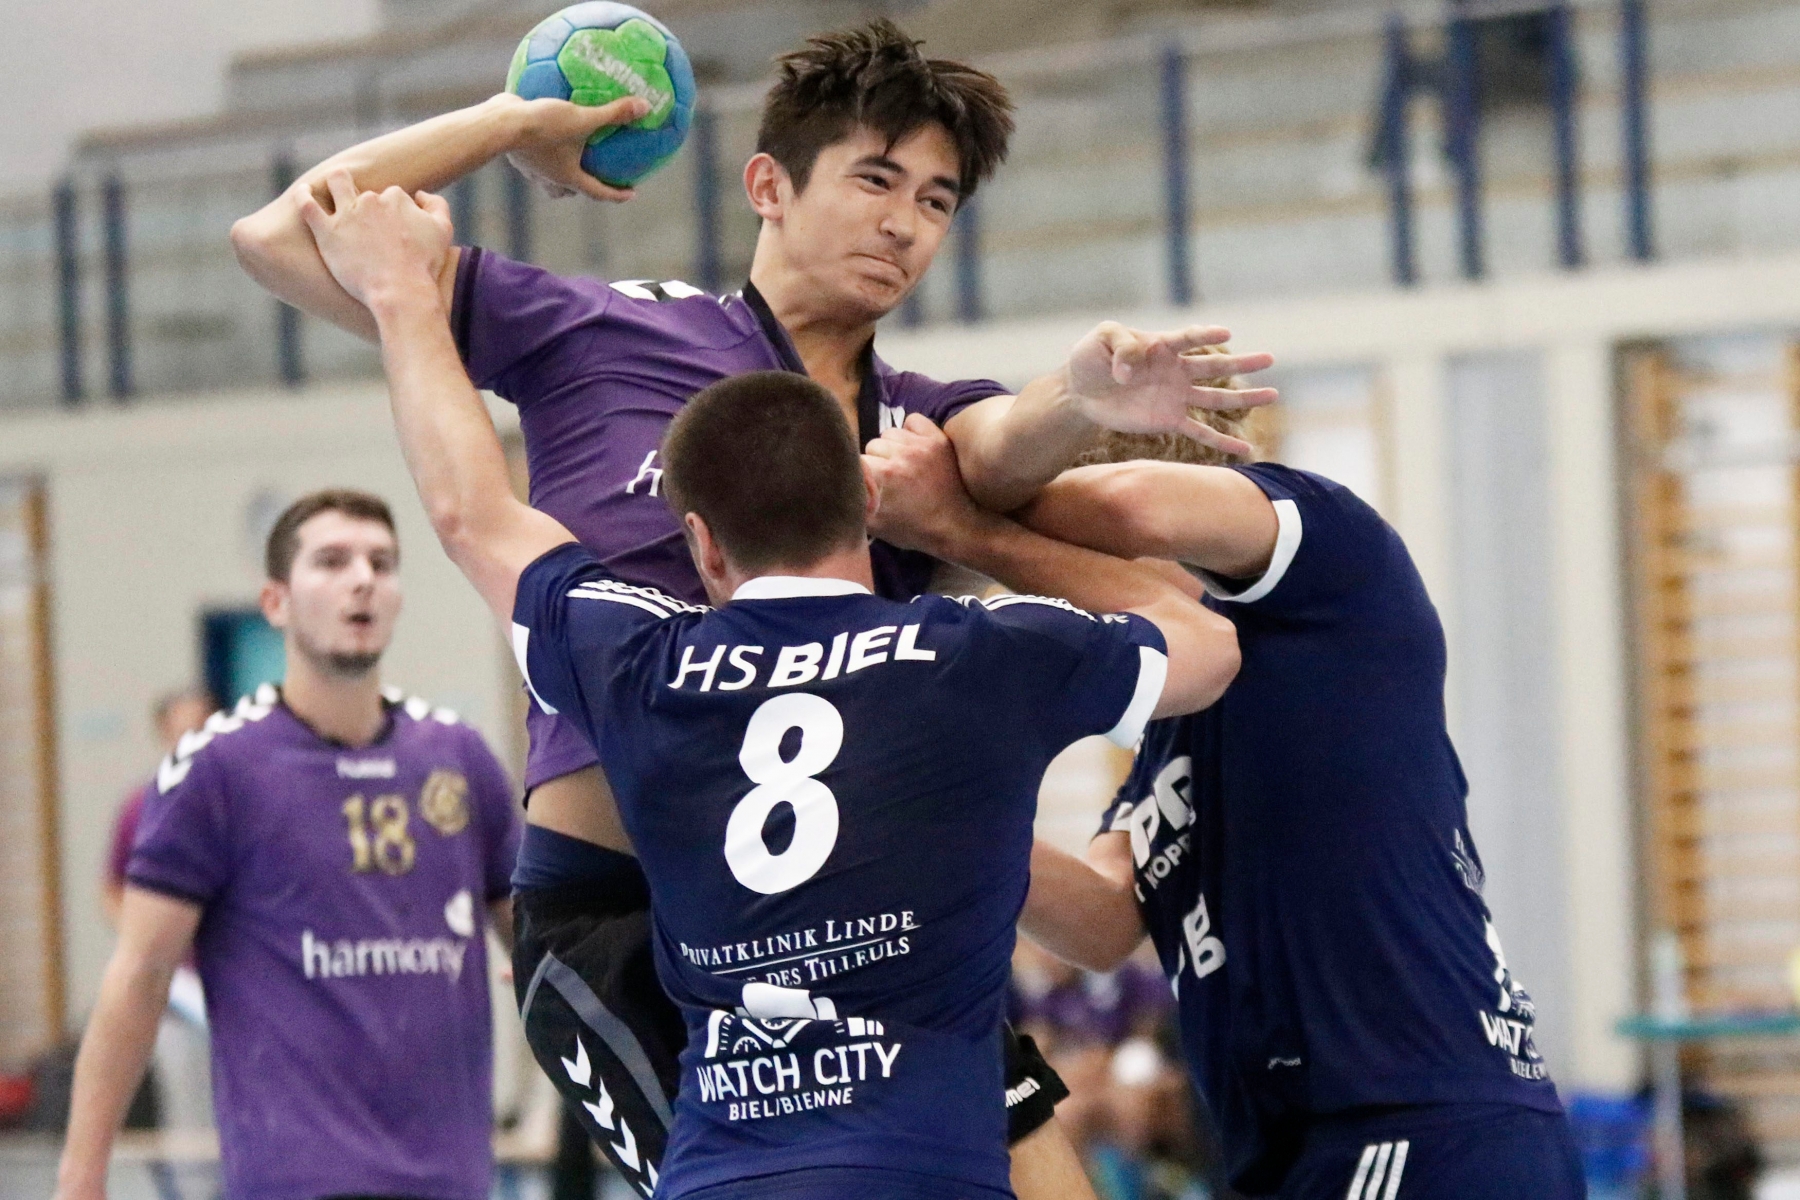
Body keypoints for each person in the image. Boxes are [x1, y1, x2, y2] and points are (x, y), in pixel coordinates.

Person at [230, 18, 1274, 1190]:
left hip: (862, 908)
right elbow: (280, 238)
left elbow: (1001, 450)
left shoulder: (919, 424)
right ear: (768, 184)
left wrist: (1082, 400)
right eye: (876, 179)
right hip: (628, 916)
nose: (903, 224)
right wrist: (513, 121)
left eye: (936, 201)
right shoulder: (601, 331)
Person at [978, 448, 1588, 1198]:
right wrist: (953, 815)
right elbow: (1104, 923)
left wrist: (965, 528)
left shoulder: (1337, 577)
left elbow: (1132, 503)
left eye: (1069, 539)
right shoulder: (1175, 735)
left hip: (1410, 1119)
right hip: (1307, 1145)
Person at [56, 490, 523, 1200]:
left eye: (382, 563)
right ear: (275, 602)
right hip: (296, 1180)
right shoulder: (216, 769)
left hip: (451, 1179)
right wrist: (81, 1175)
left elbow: (538, 940)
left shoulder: (457, 757)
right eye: (332, 561)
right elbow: (140, 977)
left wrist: (543, 961)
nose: (362, 578)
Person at [100, 689, 215, 1140]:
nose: (192, 738)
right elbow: (113, 888)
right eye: (182, 730)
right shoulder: (142, 807)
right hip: (177, 988)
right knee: (187, 1102)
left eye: (202, 728)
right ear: (164, 735)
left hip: (238, 979)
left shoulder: (245, 799)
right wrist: (144, 939)